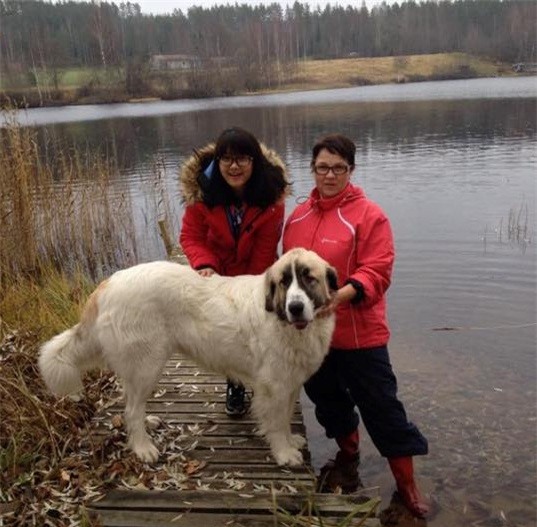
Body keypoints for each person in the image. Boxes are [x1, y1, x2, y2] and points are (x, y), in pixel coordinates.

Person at [282, 133, 429, 518]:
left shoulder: (369, 215)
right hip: (312, 338)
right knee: (328, 403)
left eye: (338, 168)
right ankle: (348, 455)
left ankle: (408, 487)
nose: (329, 175)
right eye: (322, 167)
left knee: (383, 410)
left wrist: (341, 296)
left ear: (351, 170)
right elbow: (288, 275)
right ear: (312, 169)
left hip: (360, 336)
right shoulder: (296, 218)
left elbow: (377, 271)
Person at [179, 126, 289, 417]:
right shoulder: (202, 194)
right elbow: (191, 238)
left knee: (258, 325)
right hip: (216, 274)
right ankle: (235, 382)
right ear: (218, 162)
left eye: (242, 158)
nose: (234, 166)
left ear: (254, 161)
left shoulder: (271, 197)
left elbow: (265, 249)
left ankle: (264, 381)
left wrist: (250, 289)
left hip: (257, 272)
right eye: (226, 159)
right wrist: (204, 265)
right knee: (228, 332)